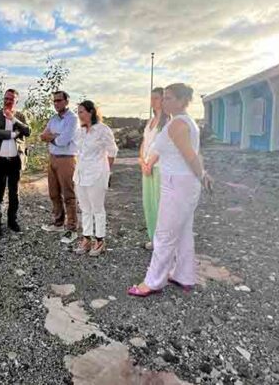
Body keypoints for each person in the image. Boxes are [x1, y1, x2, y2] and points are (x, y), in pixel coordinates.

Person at [128, 83, 213, 296]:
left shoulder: (178, 125)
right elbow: (191, 153)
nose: (164, 101)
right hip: (182, 182)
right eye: (163, 97)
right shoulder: (184, 122)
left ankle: (153, 282)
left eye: (169, 98)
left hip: (178, 183)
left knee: (164, 234)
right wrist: (201, 174)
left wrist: (202, 175)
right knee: (183, 232)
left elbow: (190, 155)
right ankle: (183, 275)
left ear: (183, 101)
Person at [73, 100, 118, 256]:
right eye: (78, 112)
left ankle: (99, 241)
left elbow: (112, 152)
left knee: (97, 209)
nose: (79, 115)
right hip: (80, 174)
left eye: (81, 112)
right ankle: (86, 239)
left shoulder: (102, 130)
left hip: (97, 174)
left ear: (91, 112)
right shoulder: (80, 132)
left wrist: (106, 171)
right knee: (85, 209)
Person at [0, 88, 31, 241]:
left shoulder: (21, 116)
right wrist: (12, 134)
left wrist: (14, 120)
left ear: (16, 101)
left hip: (15, 162)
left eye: (11, 99)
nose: (7, 101)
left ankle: (12, 221)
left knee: (14, 194)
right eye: (6, 98)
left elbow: (27, 131)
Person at [39, 91, 80, 244]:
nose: (56, 103)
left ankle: (71, 228)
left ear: (66, 101)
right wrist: (54, 137)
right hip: (53, 158)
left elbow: (64, 141)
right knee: (54, 193)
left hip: (67, 160)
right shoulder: (53, 118)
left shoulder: (73, 119)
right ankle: (58, 223)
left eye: (59, 100)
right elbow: (42, 136)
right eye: (54, 101)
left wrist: (52, 137)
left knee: (68, 195)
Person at [139, 87, 167, 250]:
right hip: (147, 167)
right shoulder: (150, 122)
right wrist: (142, 161)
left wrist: (150, 163)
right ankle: (153, 237)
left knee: (160, 205)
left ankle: (163, 241)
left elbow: (162, 145)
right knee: (148, 204)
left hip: (159, 168)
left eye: (156, 98)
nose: (153, 101)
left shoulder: (168, 121)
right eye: (152, 98)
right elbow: (144, 143)